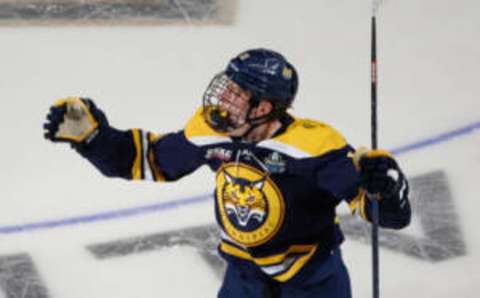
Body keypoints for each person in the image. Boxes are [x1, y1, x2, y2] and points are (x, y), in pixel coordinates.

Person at [43, 48, 411, 298]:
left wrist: (386, 188)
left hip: (311, 280)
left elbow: (381, 212)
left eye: (235, 93)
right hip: (244, 278)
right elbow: (152, 159)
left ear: (263, 106)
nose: (222, 98)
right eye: (226, 86)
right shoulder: (210, 131)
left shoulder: (312, 147)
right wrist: (93, 139)